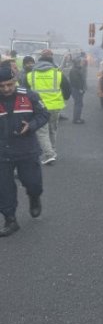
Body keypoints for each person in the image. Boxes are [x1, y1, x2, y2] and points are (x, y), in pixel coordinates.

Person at [0, 66, 49, 237]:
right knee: (4, 188)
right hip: (2, 152)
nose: (6, 89)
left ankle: (34, 197)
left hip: (26, 149)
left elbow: (44, 114)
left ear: (15, 82)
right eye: (2, 85)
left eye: (9, 84)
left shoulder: (29, 95)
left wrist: (31, 126)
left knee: (33, 182)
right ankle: (10, 219)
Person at [27, 49, 71, 166]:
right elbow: (67, 89)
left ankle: (49, 154)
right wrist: (64, 98)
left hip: (39, 107)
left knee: (42, 132)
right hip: (55, 106)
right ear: (52, 59)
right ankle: (52, 151)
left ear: (39, 59)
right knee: (52, 129)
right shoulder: (57, 73)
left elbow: (25, 91)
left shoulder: (31, 75)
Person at [68, 57, 87, 124]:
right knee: (78, 104)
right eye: (81, 62)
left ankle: (77, 118)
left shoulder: (76, 69)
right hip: (76, 89)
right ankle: (76, 119)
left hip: (76, 89)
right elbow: (76, 81)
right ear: (78, 63)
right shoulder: (74, 70)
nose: (83, 63)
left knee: (78, 103)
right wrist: (80, 89)